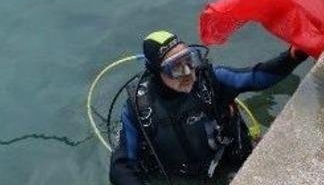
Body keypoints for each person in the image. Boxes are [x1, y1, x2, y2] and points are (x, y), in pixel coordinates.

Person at [109, 31, 307, 184]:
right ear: (156, 72)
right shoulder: (139, 109)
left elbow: (257, 77)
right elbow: (121, 168)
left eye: (189, 59)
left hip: (229, 161)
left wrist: (293, 56)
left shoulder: (211, 80)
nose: (188, 72)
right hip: (183, 179)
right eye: (176, 67)